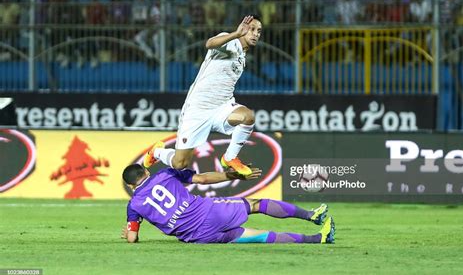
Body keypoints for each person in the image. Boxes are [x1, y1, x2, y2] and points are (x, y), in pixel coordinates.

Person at [143, 15, 263, 177]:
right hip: (198, 108)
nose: (256, 34)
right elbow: (209, 44)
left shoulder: (242, 56)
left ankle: (229, 158)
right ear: (243, 29)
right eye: (252, 29)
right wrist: (236, 33)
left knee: (247, 117)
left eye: (259, 31)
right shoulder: (229, 41)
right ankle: (157, 152)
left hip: (222, 106)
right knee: (180, 164)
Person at [121, 164, 335, 244]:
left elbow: (132, 238)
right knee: (256, 204)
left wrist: (129, 234)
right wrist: (233, 175)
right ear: (146, 172)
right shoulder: (165, 174)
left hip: (198, 237)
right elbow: (203, 179)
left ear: (130, 186)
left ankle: (319, 239)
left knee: (260, 236)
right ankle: (311, 216)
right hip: (210, 212)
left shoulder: (133, 205)